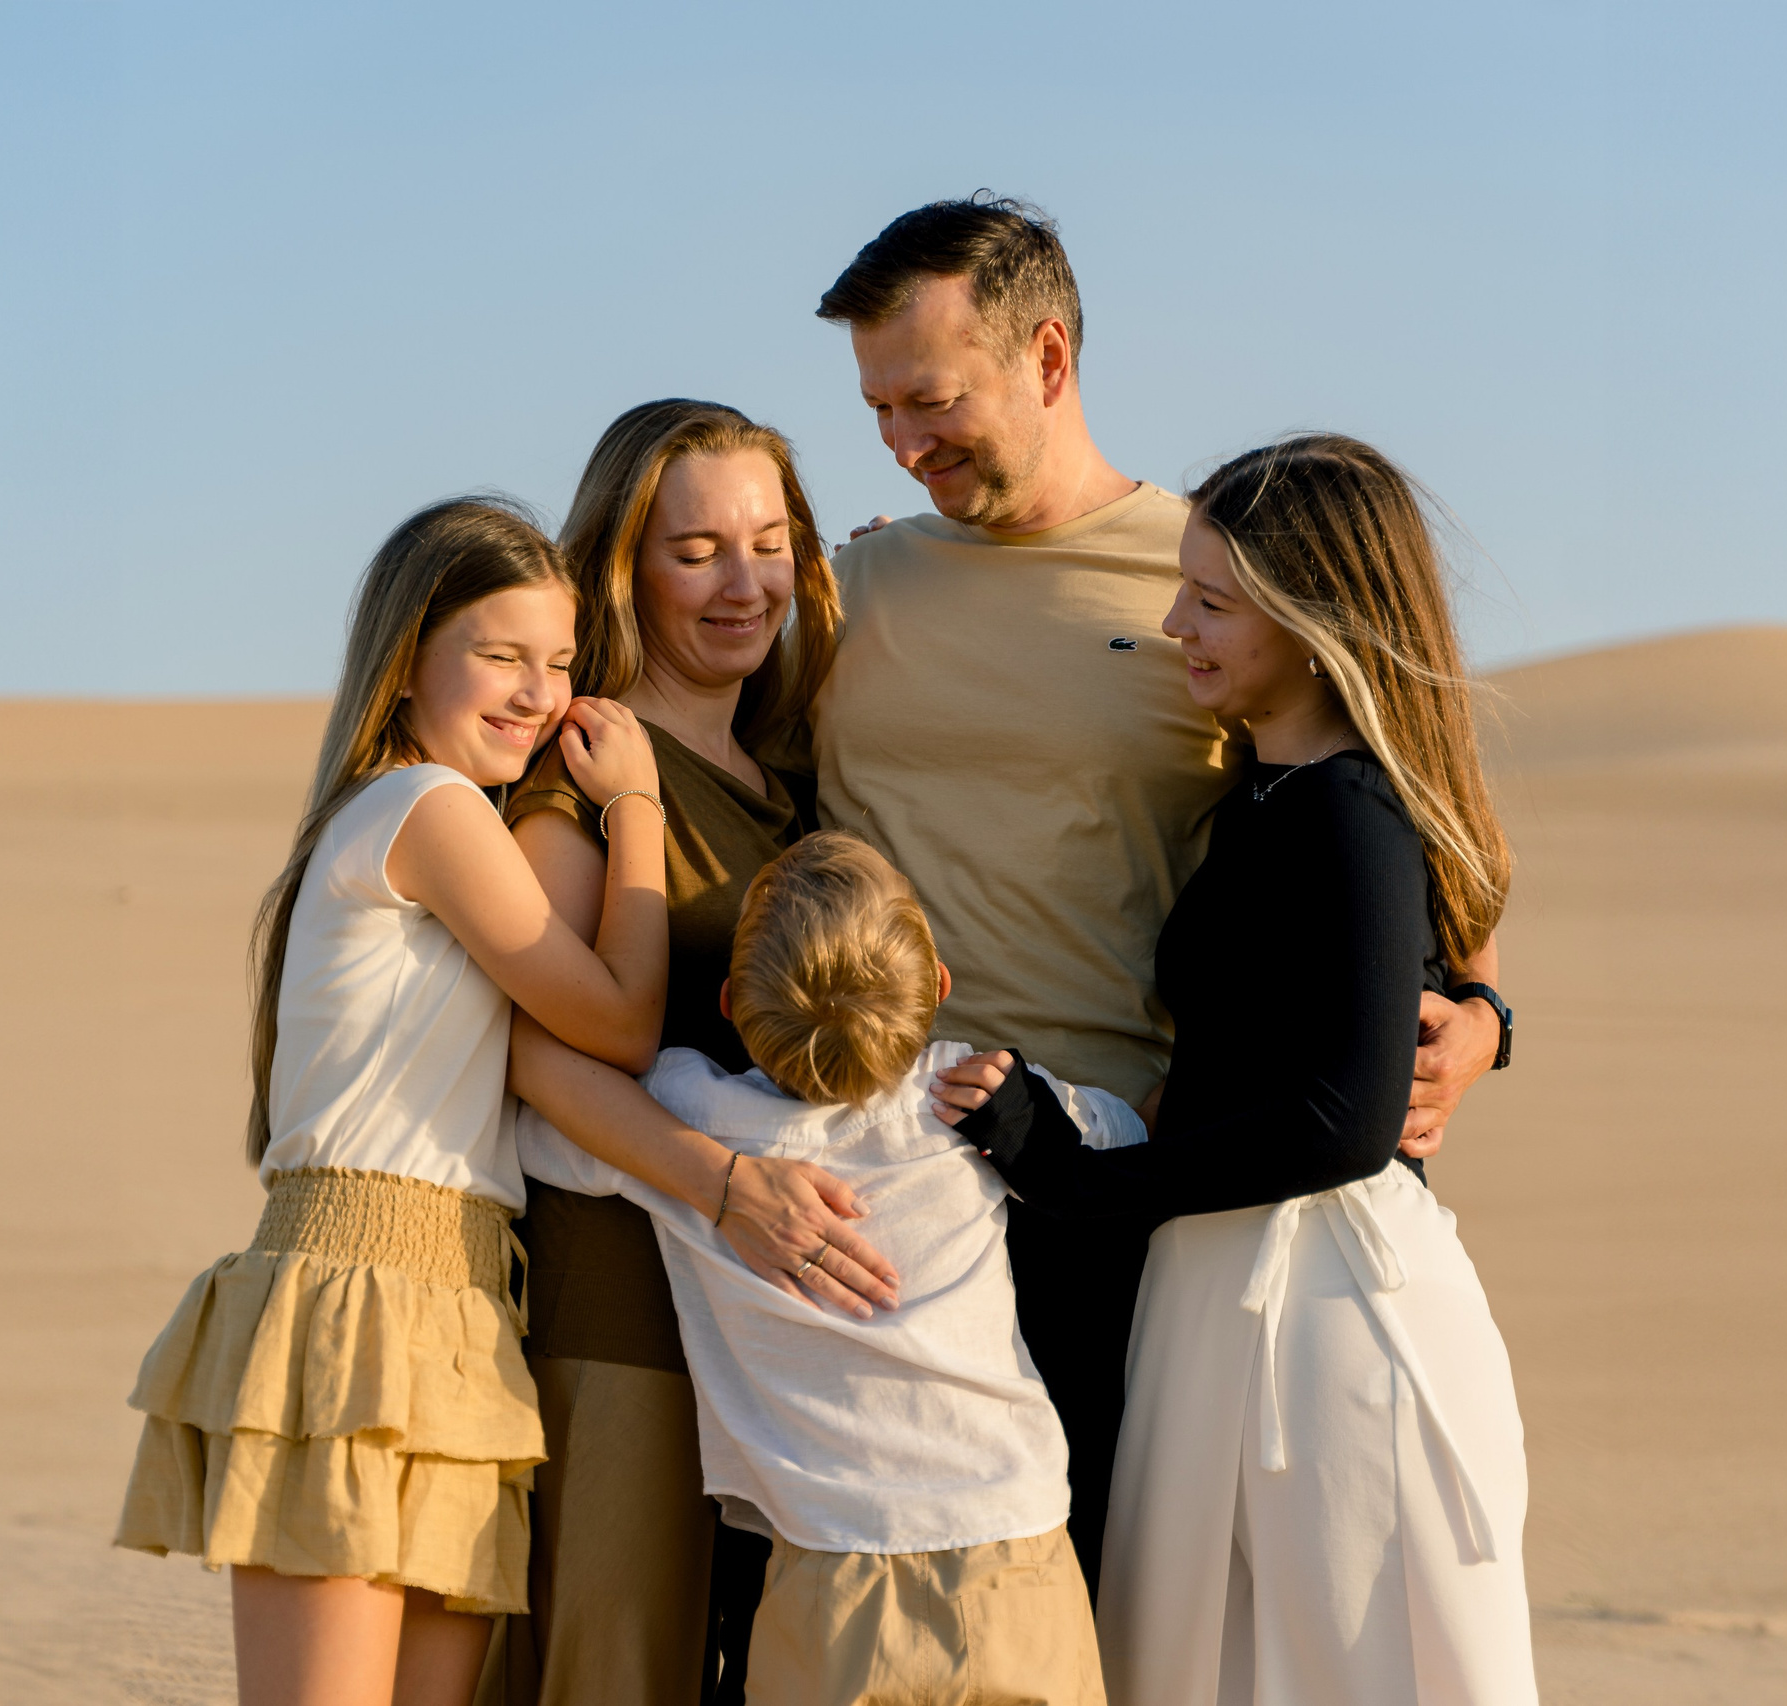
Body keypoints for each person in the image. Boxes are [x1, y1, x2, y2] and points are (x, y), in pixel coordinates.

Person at [806, 196, 1512, 1586]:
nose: (902, 442)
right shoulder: (850, 585)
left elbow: (1407, 829)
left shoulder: (1218, 574)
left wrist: (1481, 1010)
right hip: (876, 1187)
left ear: (1048, 359)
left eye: (933, 399)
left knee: (1115, 1617)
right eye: (878, 407)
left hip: (1119, 1192)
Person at [937, 435, 1539, 1704]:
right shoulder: (1262, 793)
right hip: (1220, 1285)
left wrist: (1080, 1181)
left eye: (1210, 601)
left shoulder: (1348, 810)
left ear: (1313, 618)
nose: (1174, 624)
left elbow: (1342, 1119)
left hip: (1325, 1315)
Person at [113, 498, 674, 1706]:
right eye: (501, 654)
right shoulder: (426, 808)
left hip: (464, 1316)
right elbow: (620, 1020)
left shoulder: (438, 813)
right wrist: (637, 804)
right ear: (409, 652)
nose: (538, 692)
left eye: (561, 662)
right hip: (349, 1306)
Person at [520, 832, 1135, 1706]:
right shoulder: (968, 1095)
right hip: (1015, 1550)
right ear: (941, 987)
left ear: (730, 1004)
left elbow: (543, 1124)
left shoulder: (693, 1120)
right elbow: (1119, 1135)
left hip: (826, 1573)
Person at [491, 402, 897, 1706]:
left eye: (770, 542)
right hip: (625, 1304)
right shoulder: (589, 770)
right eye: (698, 550)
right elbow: (534, 1058)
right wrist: (727, 1185)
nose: (745, 583)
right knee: (616, 1668)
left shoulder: (786, 777)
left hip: (768, 1329)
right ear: (623, 565)